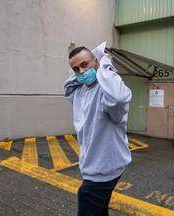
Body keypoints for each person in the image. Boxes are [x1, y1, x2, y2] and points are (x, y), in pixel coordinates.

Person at [64, 43, 132, 216]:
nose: (80, 71)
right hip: (90, 166)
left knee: (86, 197)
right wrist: (77, 73)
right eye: (75, 69)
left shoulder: (106, 92)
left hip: (104, 169)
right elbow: (67, 88)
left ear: (95, 62)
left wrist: (105, 63)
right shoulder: (79, 91)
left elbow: (119, 98)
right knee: (101, 211)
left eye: (84, 64)